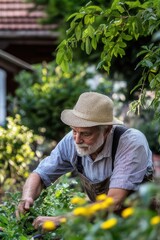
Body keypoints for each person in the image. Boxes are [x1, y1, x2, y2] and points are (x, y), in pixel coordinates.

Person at [16, 92, 153, 229]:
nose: (77, 140)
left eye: (86, 134)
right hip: (103, 226)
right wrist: (27, 197)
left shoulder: (130, 143)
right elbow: (40, 174)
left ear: (106, 130)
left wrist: (61, 219)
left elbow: (114, 201)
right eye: (74, 131)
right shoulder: (71, 141)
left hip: (142, 226)